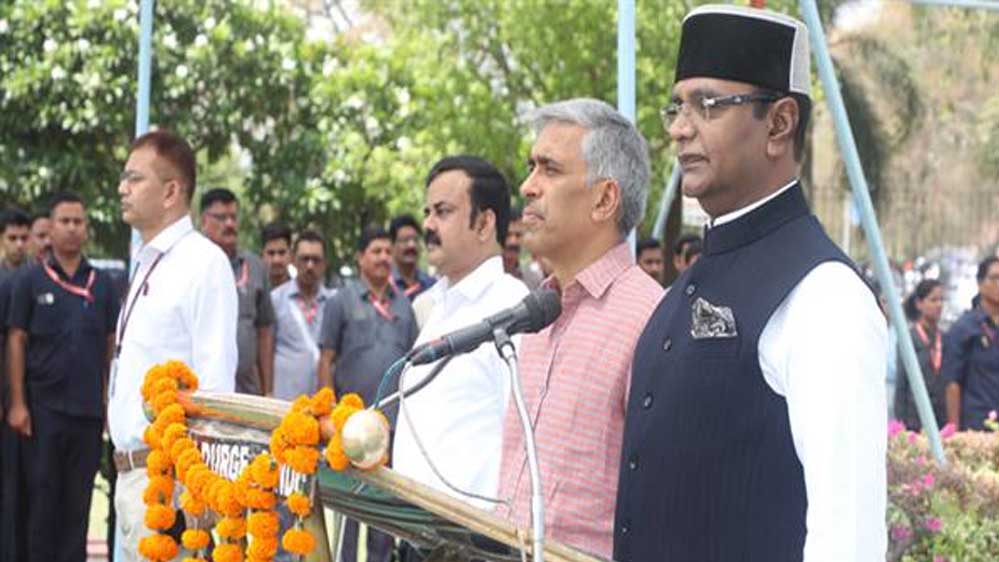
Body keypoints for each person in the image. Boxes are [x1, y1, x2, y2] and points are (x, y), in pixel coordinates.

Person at [614, 6, 888, 562]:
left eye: (708, 105)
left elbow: (848, 538)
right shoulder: (687, 284)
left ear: (780, 123)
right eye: (678, 106)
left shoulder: (823, 295)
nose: (680, 128)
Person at [495, 98, 663, 558]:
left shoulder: (651, 320)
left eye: (549, 169)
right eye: (531, 167)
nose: (528, 186)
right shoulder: (537, 313)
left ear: (604, 199)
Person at [110, 129, 238, 561]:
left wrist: (196, 493)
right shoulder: (150, 260)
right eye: (124, 178)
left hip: (171, 480)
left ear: (170, 192)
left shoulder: (203, 263)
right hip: (133, 476)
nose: (122, 189)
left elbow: (216, 387)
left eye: (134, 178)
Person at [393, 156, 528, 516]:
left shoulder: (512, 308)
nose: (427, 225)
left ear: (484, 223)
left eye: (443, 212)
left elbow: (525, 440)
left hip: (474, 536)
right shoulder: (437, 305)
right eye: (427, 212)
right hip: (417, 530)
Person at [5, 192, 117, 562]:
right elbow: (16, 339)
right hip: (42, 413)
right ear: (49, 229)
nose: (71, 228)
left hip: (87, 414)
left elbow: (110, 344)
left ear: (86, 229)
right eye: (64, 221)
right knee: (41, 503)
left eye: (78, 221)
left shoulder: (102, 284)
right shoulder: (30, 280)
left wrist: (107, 402)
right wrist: (18, 404)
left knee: (78, 506)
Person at [318, 224, 417, 562]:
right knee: (348, 512)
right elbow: (326, 358)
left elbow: (412, 364)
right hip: (348, 427)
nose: (384, 257)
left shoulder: (404, 306)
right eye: (376, 251)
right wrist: (328, 416)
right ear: (360, 257)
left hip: (390, 427)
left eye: (387, 251)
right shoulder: (340, 302)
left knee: (383, 515)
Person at [201, 188, 275, 396]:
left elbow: (264, 331)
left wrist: (267, 390)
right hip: (202, 390)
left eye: (233, 217)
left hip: (246, 391)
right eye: (221, 218)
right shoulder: (193, 264)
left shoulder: (255, 266)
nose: (230, 224)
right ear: (204, 220)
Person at [271, 230, 335, 401]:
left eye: (316, 260)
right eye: (304, 259)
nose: (310, 266)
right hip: (285, 402)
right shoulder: (275, 300)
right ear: (293, 260)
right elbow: (265, 352)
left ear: (325, 263)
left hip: (325, 404)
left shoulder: (335, 303)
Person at [944, 257, 999, 430]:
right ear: (980, 284)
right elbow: (953, 382)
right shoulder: (964, 328)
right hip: (978, 424)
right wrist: (954, 430)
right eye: (995, 278)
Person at [894, 279, 947, 431]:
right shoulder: (908, 339)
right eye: (933, 300)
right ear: (919, 303)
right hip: (914, 418)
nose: (939, 305)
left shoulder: (945, 338)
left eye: (941, 300)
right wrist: (901, 426)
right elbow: (901, 384)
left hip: (941, 419)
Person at [389, 213, 436, 300]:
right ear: (392, 246)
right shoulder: (383, 285)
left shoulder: (431, 285)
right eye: (405, 240)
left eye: (415, 240)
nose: (412, 245)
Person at [503, 207, 544, 290]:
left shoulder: (533, 280)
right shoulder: (484, 278)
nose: (513, 242)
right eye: (507, 235)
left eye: (518, 235)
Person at [261, 222, 294, 289]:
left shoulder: (302, 291)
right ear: (262, 256)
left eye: (282, 253)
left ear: (291, 255)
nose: (276, 260)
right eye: (271, 253)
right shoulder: (253, 292)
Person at [0, 210, 30, 277]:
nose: (19, 245)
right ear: (1, 240)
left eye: (24, 238)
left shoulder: (41, 273)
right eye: (12, 238)